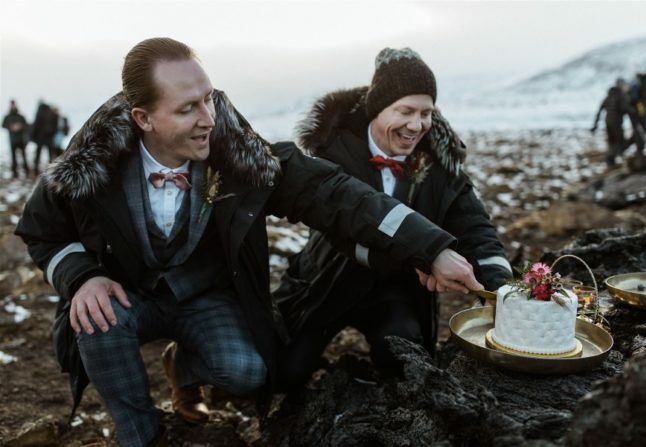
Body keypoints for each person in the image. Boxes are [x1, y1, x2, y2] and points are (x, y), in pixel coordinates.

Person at [15, 38, 483, 447]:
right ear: (143, 118)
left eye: (209, 100)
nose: (207, 120)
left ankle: (184, 368)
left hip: (203, 295)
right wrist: (82, 277)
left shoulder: (244, 157)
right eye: (186, 109)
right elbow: (41, 228)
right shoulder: (89, 163)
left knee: (250, 372)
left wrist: (431, 248)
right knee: (95, 319)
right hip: (123, 294)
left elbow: (337, 196)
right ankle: (143, 435)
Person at [273, 48, 512, 391]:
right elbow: (342, 230)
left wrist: (501, 288)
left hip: (395, 289)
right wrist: (427, 258)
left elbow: (474, 226)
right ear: (377, 108)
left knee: (406, 360)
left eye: (426, 113)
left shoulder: (439, 163)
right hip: (328, 280)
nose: (417, 126)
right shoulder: (332, 150)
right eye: (406, 111)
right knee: (285, 372)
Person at [591, 78, 639, 167]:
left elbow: (600, 110)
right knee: (621, 142)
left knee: (612, 142)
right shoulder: (621, 95)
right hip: (616, 123)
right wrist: (634, 111)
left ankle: (611, 161)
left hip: (607, 122)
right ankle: (615, 159)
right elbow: (624, 107)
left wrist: (595, 125)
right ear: (621, 86)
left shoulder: (609, 96)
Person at [2, 99, 30, 178]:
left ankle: (26, 171)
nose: (13, 106)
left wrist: (20, 126)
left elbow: (26, 125)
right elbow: (3, 125)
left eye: (14, 104)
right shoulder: (7, 117)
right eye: (12, 105)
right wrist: (11, 127)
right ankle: (14, 173)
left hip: (21, 139)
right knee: (13, 157)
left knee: (24, 156)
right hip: (12, 140)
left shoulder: (20, 116)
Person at [30, 100, 58, 172]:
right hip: (50, 137)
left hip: (40, 137)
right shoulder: (51, 112)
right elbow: (56, 125)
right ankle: (51, 169)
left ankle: (36, 169)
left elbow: (36, 125)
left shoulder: (40, 112)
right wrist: (53, 133)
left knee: (38, 154)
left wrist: (32, 136)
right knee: (50, 154)